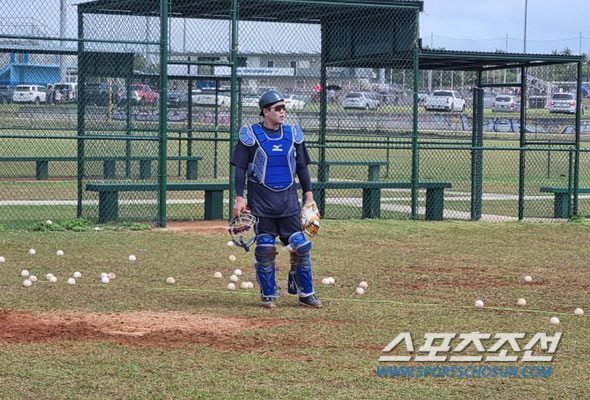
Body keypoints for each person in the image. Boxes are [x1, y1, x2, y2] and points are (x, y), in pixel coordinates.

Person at [230, 90, 322, 309]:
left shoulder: (293, 134)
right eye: (278, 108)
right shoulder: (250, 135)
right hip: (262, 204)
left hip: (289, 203)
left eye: (284, 108)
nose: (283, 112)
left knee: (301, 246)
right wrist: (239, 197)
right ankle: (269, 295)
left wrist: (309, 196)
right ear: (265, 111)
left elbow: (302, 167)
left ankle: (306, 293)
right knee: (265, 247)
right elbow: (240, 168)